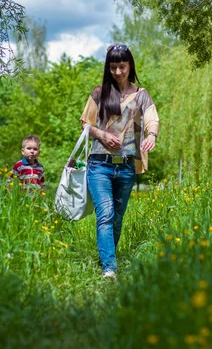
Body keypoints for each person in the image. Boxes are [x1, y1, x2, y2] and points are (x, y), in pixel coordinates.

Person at [80, 44, 159, 279]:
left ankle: (106, 257)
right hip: (99, 163)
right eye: (113, 67)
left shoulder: (141, 95)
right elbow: (86, 123)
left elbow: (152, 119)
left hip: (126, 165)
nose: (117, 72)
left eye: (122, 66)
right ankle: (109, 269)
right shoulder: (99, 93)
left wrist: (152, 135)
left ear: (130, 66)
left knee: (117, 217)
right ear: (108, 68)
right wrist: (102, 135)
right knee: (105, 213)